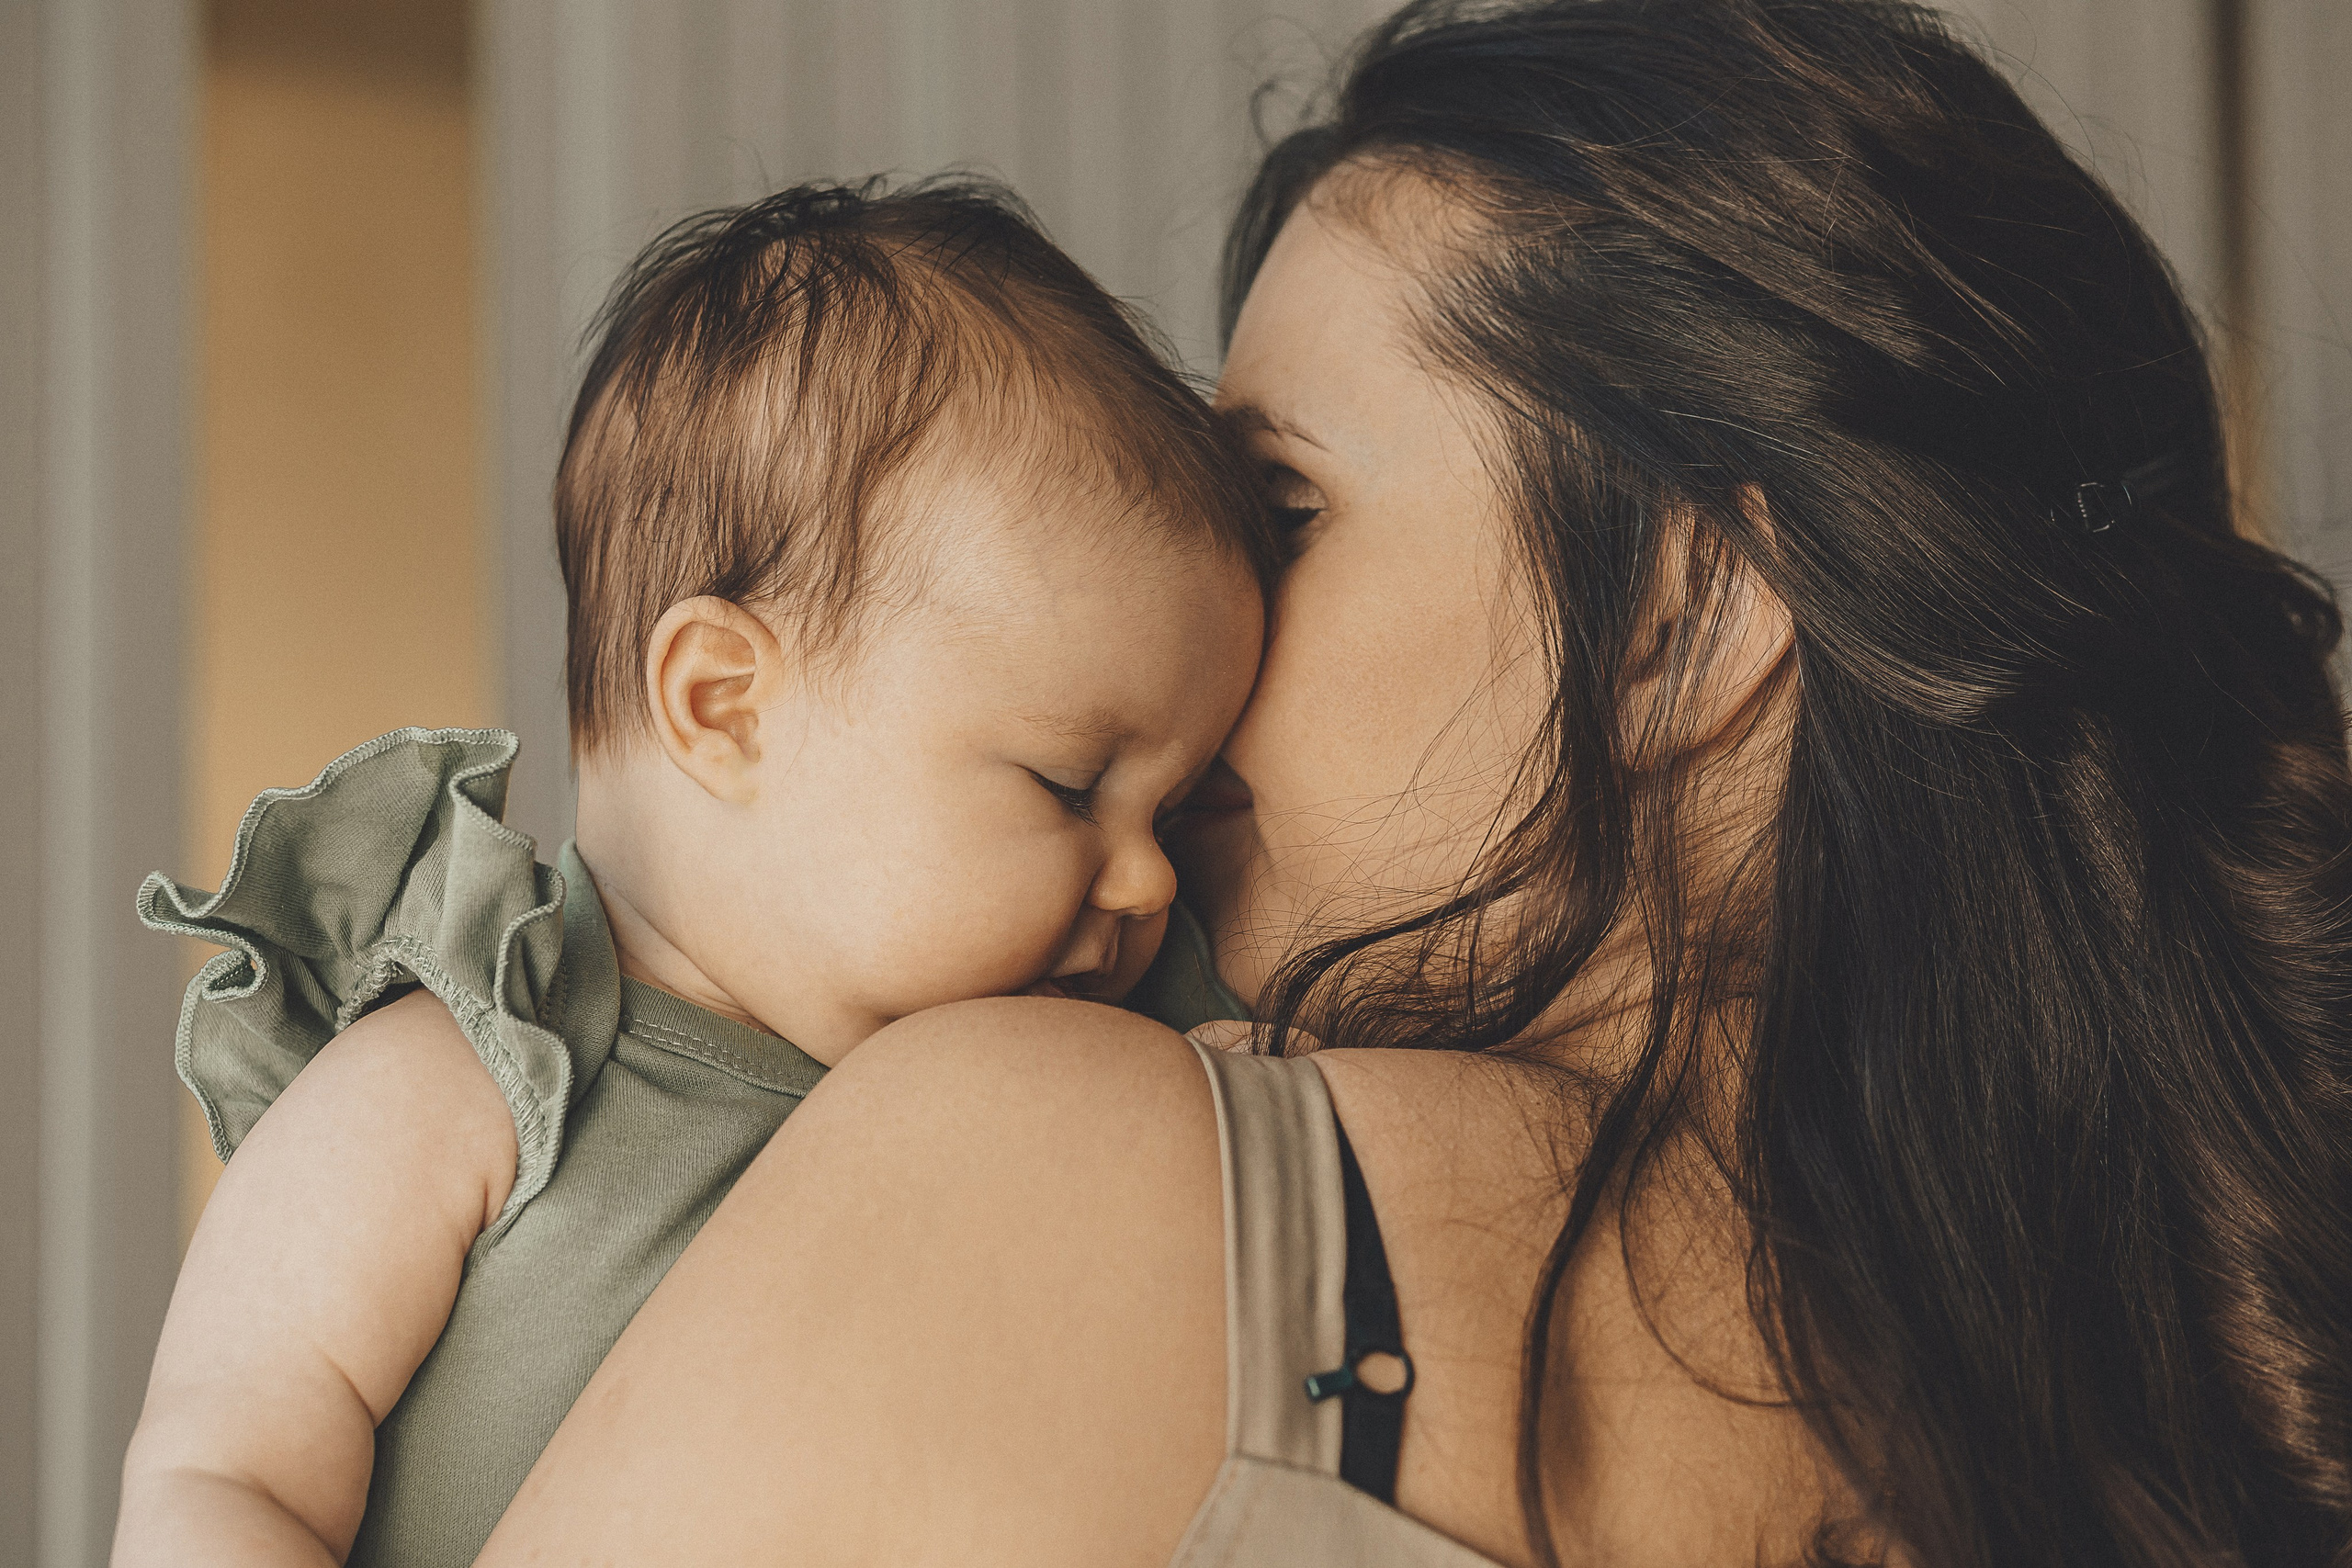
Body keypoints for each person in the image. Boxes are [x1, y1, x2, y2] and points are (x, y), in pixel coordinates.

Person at [456, 2, 2352, 1566]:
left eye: (1276, 509)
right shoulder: (2201, 1426)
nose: (1185, 670)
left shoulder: (1074, 1175)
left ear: (1685, 621)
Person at [111, 182, 1268, 1568]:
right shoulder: (473, 1081)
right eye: (1073, 787)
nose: (1146, 880)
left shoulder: (1083, 1079)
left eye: (1183, 806)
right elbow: (223, 1474)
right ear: (725, 707)